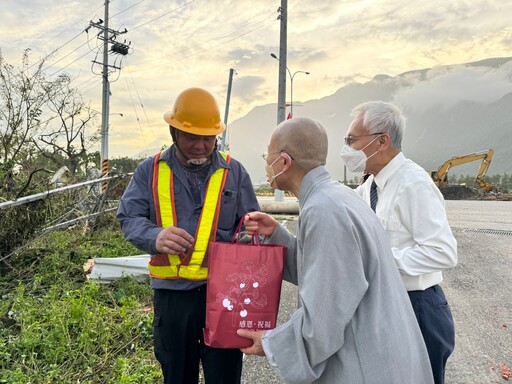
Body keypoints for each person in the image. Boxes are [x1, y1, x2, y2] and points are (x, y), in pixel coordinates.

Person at [237, 117, 434, 383]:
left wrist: (271, 343)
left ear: (283, 162)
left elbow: (323, 319)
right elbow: (327, 274)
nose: (266, 165)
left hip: (364, 365)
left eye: (267, 156)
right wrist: (277, 235)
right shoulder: (337, 196)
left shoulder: (323, 210)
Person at [117, 87, 259, 384]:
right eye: (192, 137)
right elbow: (129, 217)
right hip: (172, 298)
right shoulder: (150, 171)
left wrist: (245, 239)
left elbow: (249, 225)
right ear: (174, 133)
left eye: (209, 138)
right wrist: (155, 236)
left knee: (224, 375)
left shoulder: (235, 173)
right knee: (177, 375)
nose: (201, 146)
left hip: (224, 297)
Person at [340, 101, 457, 384]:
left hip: (418, 307)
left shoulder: (412, 184)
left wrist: (381, 260)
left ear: (382, 141)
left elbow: (443, 252)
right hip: (388, 303)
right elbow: (341, 213)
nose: (347, 149)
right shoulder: (370, 186)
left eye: (352, 140)